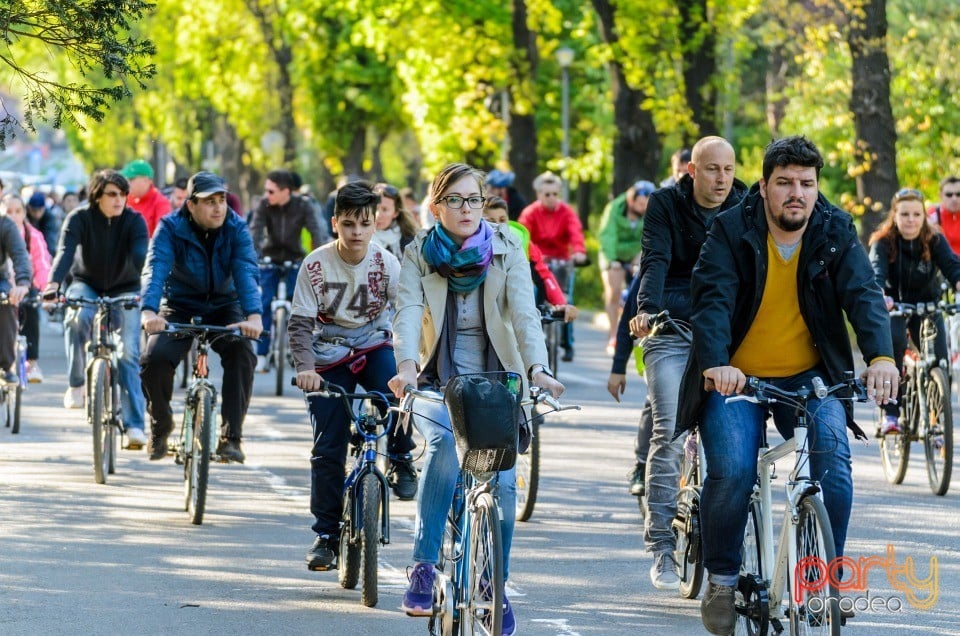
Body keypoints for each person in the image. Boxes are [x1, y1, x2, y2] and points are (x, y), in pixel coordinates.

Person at [675, 136, 898, 635]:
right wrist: (716, 363)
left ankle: (824, 582)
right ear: (765, 186)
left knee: (835, 465)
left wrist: (881, 356)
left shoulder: (835, 228)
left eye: (807, 183)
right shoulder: (730, 230)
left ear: (817, 188)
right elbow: (711, 300)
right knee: (732, 470)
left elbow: (862, 294)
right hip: (737, 377)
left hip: (813, 376)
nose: (797, 193)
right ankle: (724, 580)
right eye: (785, 183)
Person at [387, 163, 563, 636]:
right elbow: (406, 312)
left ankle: (493, 582)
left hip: (496, 383)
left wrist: (538, 370)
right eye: (456, 200)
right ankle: (424, 565)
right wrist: (404, 366)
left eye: (474, 199)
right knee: (444, 446)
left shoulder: (507, 248)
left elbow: (525, 315)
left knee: (503, 487)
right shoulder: (419, 253)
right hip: (433, 379)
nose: (467, 209)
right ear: (436, 206)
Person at [627, 136, 747, 591]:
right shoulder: (664, 204)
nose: (721, 179)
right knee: (669, 430)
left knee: (738, 442)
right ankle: (660, 546)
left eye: (728, 170)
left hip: (727, 331)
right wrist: (647, 308)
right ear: (692, 171)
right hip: (670, 326)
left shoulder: (747, 204)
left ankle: (731, 544)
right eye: (711, 169)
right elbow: (654, 259)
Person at [290, 181, 418, 570]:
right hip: (328, 354)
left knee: (398, 395)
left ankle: (399, 457)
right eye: (348, 224)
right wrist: (305, 369)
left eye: (364, 223)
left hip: (373, 345)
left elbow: (407, 312)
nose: (357, 232)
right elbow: (299, 325)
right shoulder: (315, 265)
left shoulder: (385, 263)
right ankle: (326, 536)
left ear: (375, 224)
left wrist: (413, 364)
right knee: (327, 447)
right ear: (335, 224)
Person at [140, 171, 262, 463]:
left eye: (221, 200)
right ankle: (161, 424)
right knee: (153, 358)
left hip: (225, 305)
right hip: (179, 305)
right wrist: (149, 310)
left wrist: (254, 316)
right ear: (191, 204)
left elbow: (246, 270)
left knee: (243, 352)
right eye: (209, 201)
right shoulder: (170, 227)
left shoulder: (236, 226)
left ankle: (231, 437)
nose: (218, 207)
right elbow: (156, 267)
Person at [43, 170, 149, 448]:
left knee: (127, 354)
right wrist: (53, 285)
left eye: (123, 194)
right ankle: (77, 383)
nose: (119, 200)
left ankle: (135, 426)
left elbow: (141, 255)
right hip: (86, 283)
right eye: (112, 194)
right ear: (96, 196)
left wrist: (147, 288)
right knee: (77, 318)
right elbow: (65, 252)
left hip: (126, 287)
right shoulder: (79, 218)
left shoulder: (134, 221)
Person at [870, 187, 960, 434]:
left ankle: (937, 423)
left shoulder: (934, 240)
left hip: (928, 306)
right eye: (905, 214)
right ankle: (891, 414)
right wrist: (881, 295)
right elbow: (876, 273)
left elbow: (953, 267)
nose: (911, 220)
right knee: (895, 345)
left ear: (924, 217)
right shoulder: (883, 242)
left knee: (939, 361)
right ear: (895, 216)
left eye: (916, 214)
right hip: (896, 306)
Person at [248, 169, 330, 373]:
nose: (267, 195)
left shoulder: (303, 205)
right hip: (270, 259)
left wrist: (319, 257)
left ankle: (299, 351)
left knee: (300, 307)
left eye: (271, 191)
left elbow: (316, 231)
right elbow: (255, 232)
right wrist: (253, 255)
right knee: (264, 303)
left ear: (287, 191)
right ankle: (262, 354)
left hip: (295, 259)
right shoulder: (264, 205)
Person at [518, 171, 587, 361]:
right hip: (539, 260)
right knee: (534, 299)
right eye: (547, 194)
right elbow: (523, 235)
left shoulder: (566, 212)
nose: (551, 198)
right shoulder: (530, 213)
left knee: (566, 300)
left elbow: (575, 232)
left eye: (555, 194)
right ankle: (537, 339)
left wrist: (579, 251)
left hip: (562, 261)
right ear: (539, 195)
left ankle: (567, 343)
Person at [482, 195, 578, 323]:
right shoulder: (470, 240)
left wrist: (560, 303)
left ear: (508, 220)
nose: (498, 226)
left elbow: (543, 275)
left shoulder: (521, 239)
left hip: (514, 306)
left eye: (502, 220)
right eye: (491, 221)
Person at [607, 272, 654, 498]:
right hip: (656, 347)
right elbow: (628, 318)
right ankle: (642, 465)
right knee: (656, 401)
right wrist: (618, 368)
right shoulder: (654, 261)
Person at [598, 179, 654, 354]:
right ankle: (613, 335)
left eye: (646, 204)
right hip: (612, 253)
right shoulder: (615, 208)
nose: (643, 207)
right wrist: (613, 260)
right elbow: (608, 236)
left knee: (641, 288)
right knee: (613, 291)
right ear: (631, 201)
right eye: (639, 204)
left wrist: (640, 256)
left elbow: (650, 235)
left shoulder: (651, 211)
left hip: (635, 252)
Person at [1, 195, 50, 382]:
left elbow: (37, 263)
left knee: (27, 309)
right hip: (9, 283)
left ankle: (24, 363)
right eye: (9, 211)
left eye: (18, 211)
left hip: (20, 285)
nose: (13, 215)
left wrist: (37, 286)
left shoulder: (30, 235)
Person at [0, 198, 32, 385]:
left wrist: (22, 283)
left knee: (7, 300)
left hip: (0, 280)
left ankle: (5, 365)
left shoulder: (5, 225)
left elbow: (20, 255)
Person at [121, 159, 172, 238]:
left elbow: (162, 237)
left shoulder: (161, 203)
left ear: (146, 180)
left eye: (131, 179)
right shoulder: (123, 199)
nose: (127, 183)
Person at [372, 182, 418, 259]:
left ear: (396, 212)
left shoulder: (410, 241)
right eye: (375, 208)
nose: (378, 215)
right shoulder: (359, 237)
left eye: (385, 209)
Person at [927, 175, 960, 255]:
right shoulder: (931, 215)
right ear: (940, 196)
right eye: (949, 195)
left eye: (958, 194)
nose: (954, 198)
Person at [25, 191, 61, 258]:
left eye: (40, 210)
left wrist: (48, 256)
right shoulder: (24, 215)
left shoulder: (49, 216)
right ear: (29, 208)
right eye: (34, 210)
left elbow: (50, 238)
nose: (37, 214)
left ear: (44, 208)